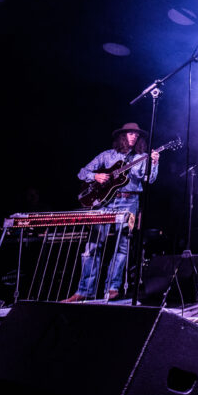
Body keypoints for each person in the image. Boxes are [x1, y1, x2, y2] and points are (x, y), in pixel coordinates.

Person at [64, 123, 159, 302]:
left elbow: (149, 179)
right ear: (122, 136)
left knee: (122, 246)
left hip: (129, 202)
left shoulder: (142, 157)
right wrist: (95, 176)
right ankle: (84, 290)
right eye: (130, 133)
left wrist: (154, 163)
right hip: (104, 202)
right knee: (93, 246)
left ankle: (112, 288)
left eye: (136, 134)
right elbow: (82, 172)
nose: (134, 136)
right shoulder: (107, 155)